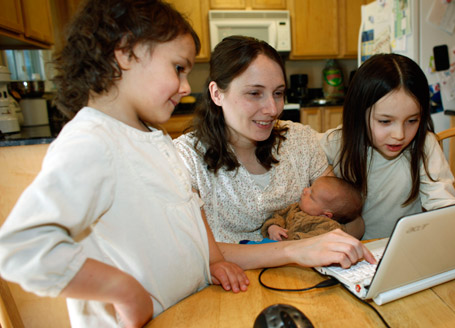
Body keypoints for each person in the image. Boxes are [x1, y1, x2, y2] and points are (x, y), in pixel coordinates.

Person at [0, 1, 249, 327]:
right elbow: (20, 248)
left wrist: (214, 259)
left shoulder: (152, 135)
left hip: (186, 312)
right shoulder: (92, 142)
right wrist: (124, 290)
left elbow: (189, 201)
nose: (187, 87)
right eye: (178, 68)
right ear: (125, 53)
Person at [173, 35, 375, 270]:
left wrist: (329, 235)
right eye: (254, 93)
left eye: (278, 93)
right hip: (230, 291)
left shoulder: (300, 141)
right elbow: (199, 252)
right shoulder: (186, 158)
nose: (272, 109)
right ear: (217, 94)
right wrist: (297, 249)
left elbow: (353, 220)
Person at [319, 53, 455, 272]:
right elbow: (295, 142)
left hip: (408, 257)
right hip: (351, 261)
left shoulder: (425, 145)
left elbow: (443, 203)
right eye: (385, 121)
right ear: (357, 114)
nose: (399, 135)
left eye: (412, 120)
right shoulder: (336, 143)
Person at [262, 176, 362, 241]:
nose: (305, 190)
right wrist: (273, 227)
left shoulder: (328, 227)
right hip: (273, 246)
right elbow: (277, 216)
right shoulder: (295, 208)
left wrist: (286, 239)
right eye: (310, 187)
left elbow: (309, 244)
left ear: (325, 215)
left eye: (311, 196)